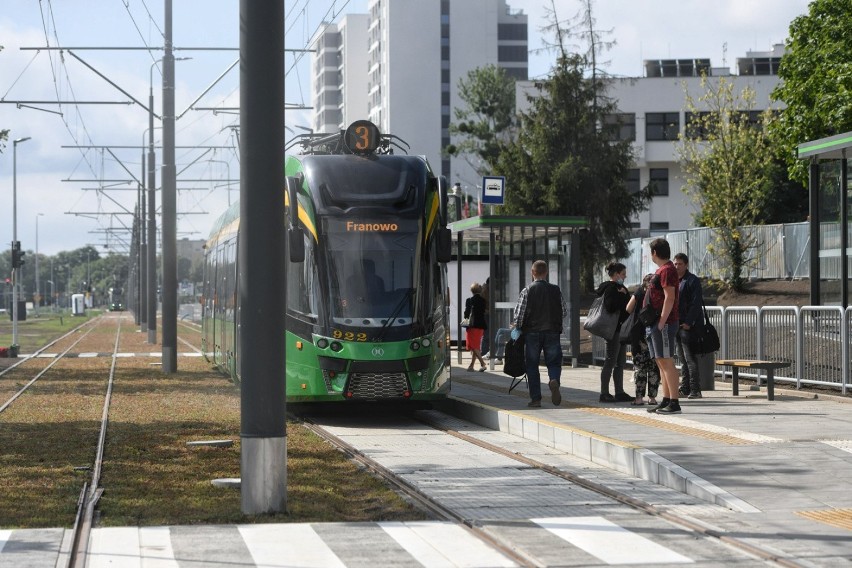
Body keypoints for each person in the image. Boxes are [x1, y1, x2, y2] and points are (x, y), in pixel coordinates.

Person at [512, 260, 568, 408]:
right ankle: (554, 379)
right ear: (546, 272)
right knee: (554, 362)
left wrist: (517, 327)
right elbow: (564, 311)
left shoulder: (527, 290)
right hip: (552, 332)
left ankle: (536, 399)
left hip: (532, 333)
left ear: (533, 273)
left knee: (532, 365)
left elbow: (519, 315)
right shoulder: (556, 290)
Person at [645, 238, 681, 414]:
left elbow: (670, 297)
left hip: (664, 323)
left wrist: (661, 321)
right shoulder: (663, 270)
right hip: (657, 323)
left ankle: (674, 402)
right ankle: (666, 399)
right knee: (661, 362)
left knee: (667, 362)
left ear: (654, 253)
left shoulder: (667, 270)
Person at [595, 262, 633, 403]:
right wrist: (622, 296)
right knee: (610, 361)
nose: (625, 276)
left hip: (620, 329)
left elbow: (629, 306)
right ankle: (604, 393)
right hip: (613, 330)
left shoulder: (620, 288)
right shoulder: (610, 288)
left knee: (620, 362)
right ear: (616, 274)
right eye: (623, 274)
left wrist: (624, 294)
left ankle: (619, 392)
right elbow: (611, 307)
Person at [625, 273, 661, 405]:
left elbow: (628, 308)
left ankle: (639, 398)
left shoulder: (640, 291)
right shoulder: (658, 292)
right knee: (654, 367)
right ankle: (652, 398)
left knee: (640, 367)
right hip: (654, 332)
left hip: (639, 333)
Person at [673, 253, 705, 399]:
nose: (677, 266)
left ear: (686, 265)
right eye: (675, 264)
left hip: (688, 326)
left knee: (690, 358)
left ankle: (695, 389)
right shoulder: (675, 281)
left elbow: (696, 303)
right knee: (682, 358)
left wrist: (689, 322)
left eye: (679, 264)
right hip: (677, 325)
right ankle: (685, 387)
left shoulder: (692, 280)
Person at [463, 282, 487, 372]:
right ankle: (471, 366)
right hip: (481, 326)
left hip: (472, 326)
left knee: (473, 345)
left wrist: (465, 319)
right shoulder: (483, 300)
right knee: (475, 345)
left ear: (471, 291)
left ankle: (483, 363)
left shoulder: (469, 300)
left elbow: (466, 313)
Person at [480, 277, 491, 358]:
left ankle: (485, 351)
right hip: (486, 314)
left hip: (486, 314)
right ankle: (484, 352)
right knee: (486, 334)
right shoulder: (485, 291)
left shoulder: (485, 289)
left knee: (486, 334)